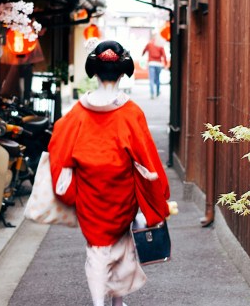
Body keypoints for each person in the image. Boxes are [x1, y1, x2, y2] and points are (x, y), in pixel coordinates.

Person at [48, 40, 171, 306]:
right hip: (121, 191)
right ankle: (114, 302)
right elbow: (146, 154)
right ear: (123, 70)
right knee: (121, 245)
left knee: (97, 249)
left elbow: (58, 144)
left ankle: (100, 303)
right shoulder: (130, 112)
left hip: (90, 191)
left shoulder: (78, 112)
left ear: (94, 70)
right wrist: (156, 189)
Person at [142, 33, 168, 99]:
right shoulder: (160, 45)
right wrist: (165, 63)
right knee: (157, 79)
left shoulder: (149, 44)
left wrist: (142, 54)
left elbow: (144, 50)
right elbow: (164, 55)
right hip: (158, 64)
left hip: (151, 63)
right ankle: (158, 92)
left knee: (151, 79)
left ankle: (152, 94)